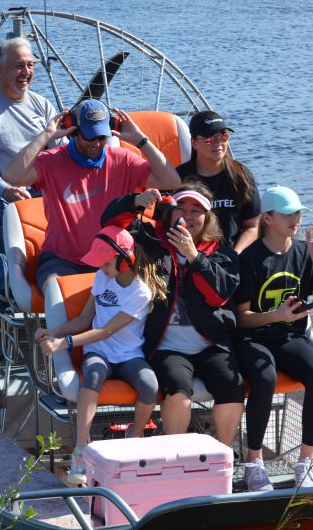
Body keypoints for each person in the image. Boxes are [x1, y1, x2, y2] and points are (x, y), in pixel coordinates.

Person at [103, 184, 244, 448]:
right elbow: (109, 225)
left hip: (211, 343)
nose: (188, 216)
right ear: (169, 212)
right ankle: (180, 458)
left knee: (231, 385)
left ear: (208, 219)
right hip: (167, 347)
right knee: (178, 391)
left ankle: (224, 454)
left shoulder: (223, 254)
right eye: (182, 208)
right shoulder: (151, 243)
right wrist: (135, 201)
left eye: (196, 211)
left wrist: (194, 256)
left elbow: (217, 296)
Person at [2, 99, 182, 292]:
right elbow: (12, 175)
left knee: (145, 291)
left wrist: (140, 138)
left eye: (102, 137)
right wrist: (46, 136)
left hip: (112, 259)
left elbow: (171, 181)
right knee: (55, 292)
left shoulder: (124, 160)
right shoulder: (51, 161)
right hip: (62, 261)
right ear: (73, 131)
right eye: (90, 137)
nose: (96, 144)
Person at [34, 226, 164, 485]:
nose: (102, 268)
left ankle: (134, 437)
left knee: (150, 386)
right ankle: (82, 448)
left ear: (126, 260)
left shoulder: (141, 293)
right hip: (99, 353)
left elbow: (105, 330)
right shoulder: (101, 278)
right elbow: (84, 319)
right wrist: (54, 330)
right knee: (91, 376)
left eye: (105, 263)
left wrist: (65, 343)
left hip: (129, 356)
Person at [233, 185, 313, 491]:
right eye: (288, 214)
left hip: (289, 335)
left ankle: (304, 461)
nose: (296, 219)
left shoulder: (304, 251)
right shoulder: (250, 258)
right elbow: (241, 318)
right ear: (267, 218)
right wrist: (276, 316)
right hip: (254, 337)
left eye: (299, 213)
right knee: (264, 378)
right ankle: (254, 463)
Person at [0, 36, 57, 294]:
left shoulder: (43, 106)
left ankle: (54, 276)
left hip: (36, 183)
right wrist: (4, 188)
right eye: (19, 66)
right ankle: (5, 287)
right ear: (0, 69)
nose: (26, 72)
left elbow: (57, 153)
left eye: (30, 65)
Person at [176, 110, 260, 253]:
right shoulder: (179, 178)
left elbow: (253, 226)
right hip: (189, 255)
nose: (218, 142)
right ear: (194, 142)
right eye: (209, 138)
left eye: (223, 135)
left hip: (231, 256)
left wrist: (235, 254)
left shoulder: (241, 175)